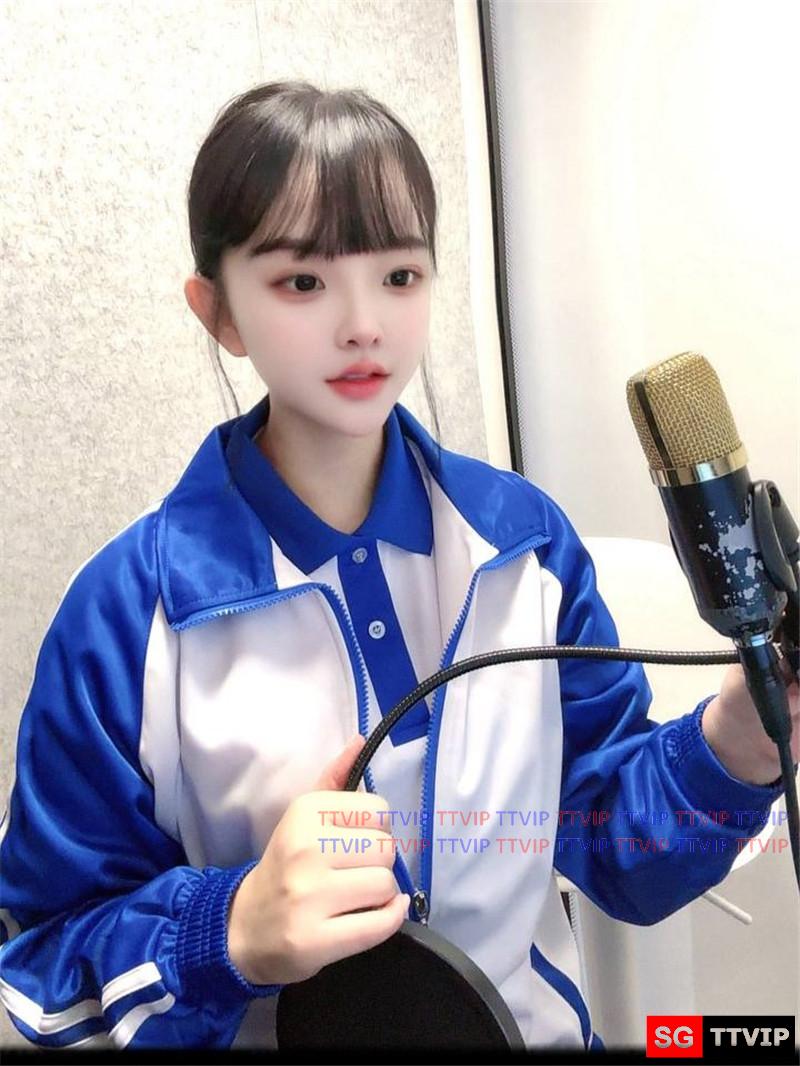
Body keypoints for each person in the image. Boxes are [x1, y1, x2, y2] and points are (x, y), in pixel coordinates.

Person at [0, 80, 797, 1053]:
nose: (363, 324)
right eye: (303, 282)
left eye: (399, 275)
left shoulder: (525, 544)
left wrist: (738, 744)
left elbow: (608, 842)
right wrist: (228, 932)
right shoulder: (129, 614)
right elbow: (41, 972)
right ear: (219, 311)